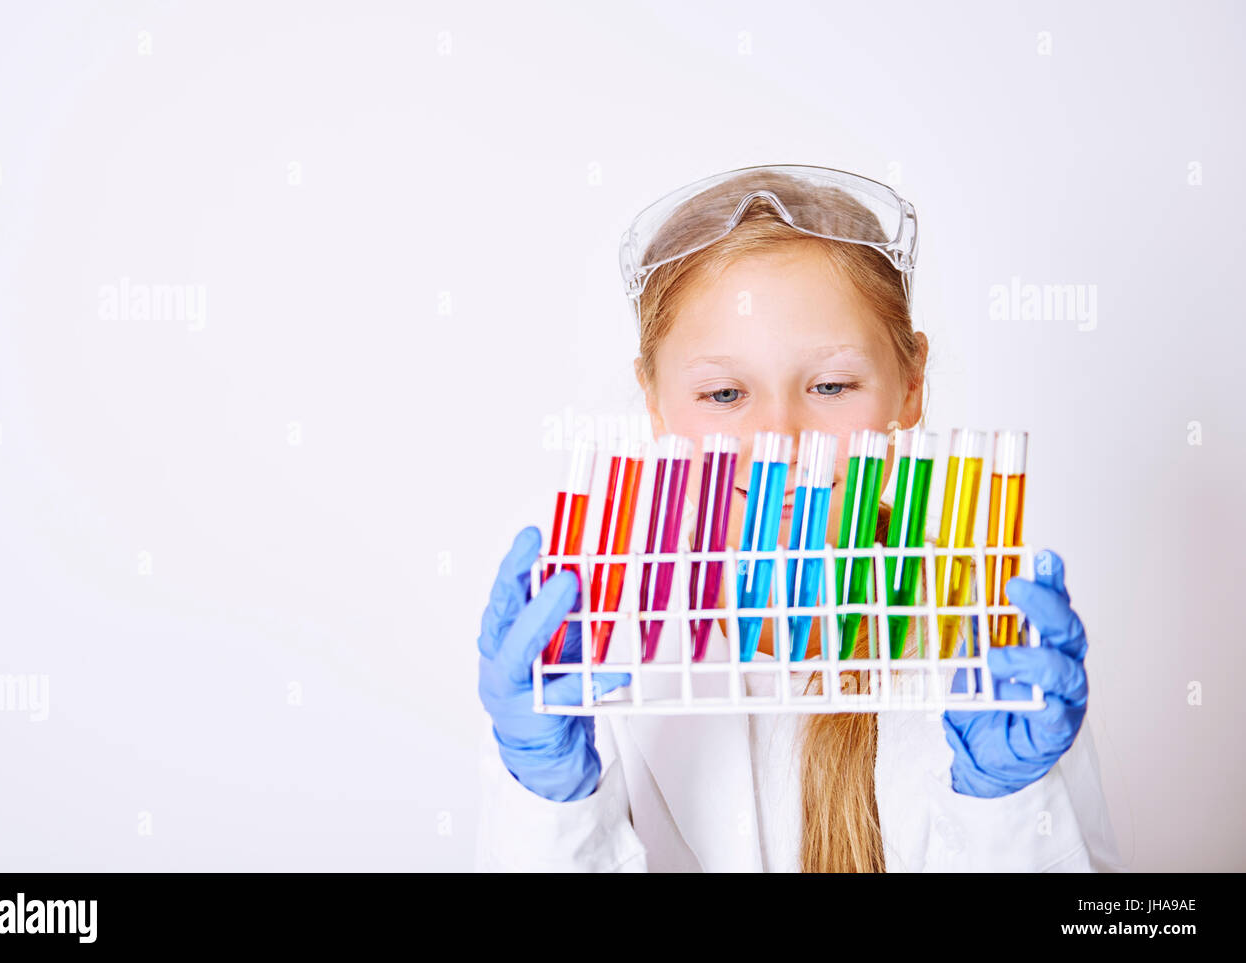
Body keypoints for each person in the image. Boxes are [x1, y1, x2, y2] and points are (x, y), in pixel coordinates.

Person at [474, 165, 1124, 872]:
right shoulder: (594, 653)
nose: (779, 439)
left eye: (831, 385)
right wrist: (550, 811)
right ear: (655, 406)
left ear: (910, 386)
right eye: (724, 392)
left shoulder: (986, 648)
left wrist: (1005, 809)